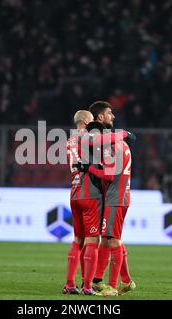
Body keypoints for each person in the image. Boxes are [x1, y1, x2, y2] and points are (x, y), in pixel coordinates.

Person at [64, 110, 132, 295]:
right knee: (93, 240)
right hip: (90, 195)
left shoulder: (70, 141)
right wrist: (123, 134)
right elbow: (101, 142)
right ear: (86, 122)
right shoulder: (85, 137)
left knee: (78, 239)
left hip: (74, 193)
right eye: (92, 121)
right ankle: (87, 286)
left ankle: (70, 283)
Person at [88, 101, 136, 296]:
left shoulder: (110, 142)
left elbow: (108, 174)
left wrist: (89, 168)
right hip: (120, 195)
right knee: (109, 240)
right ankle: (121, 281)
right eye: (110, 113)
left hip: (116, 196)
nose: (113, 116)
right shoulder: (119, 141)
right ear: (101, 117)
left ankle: (113, 287)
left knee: (112, 239)